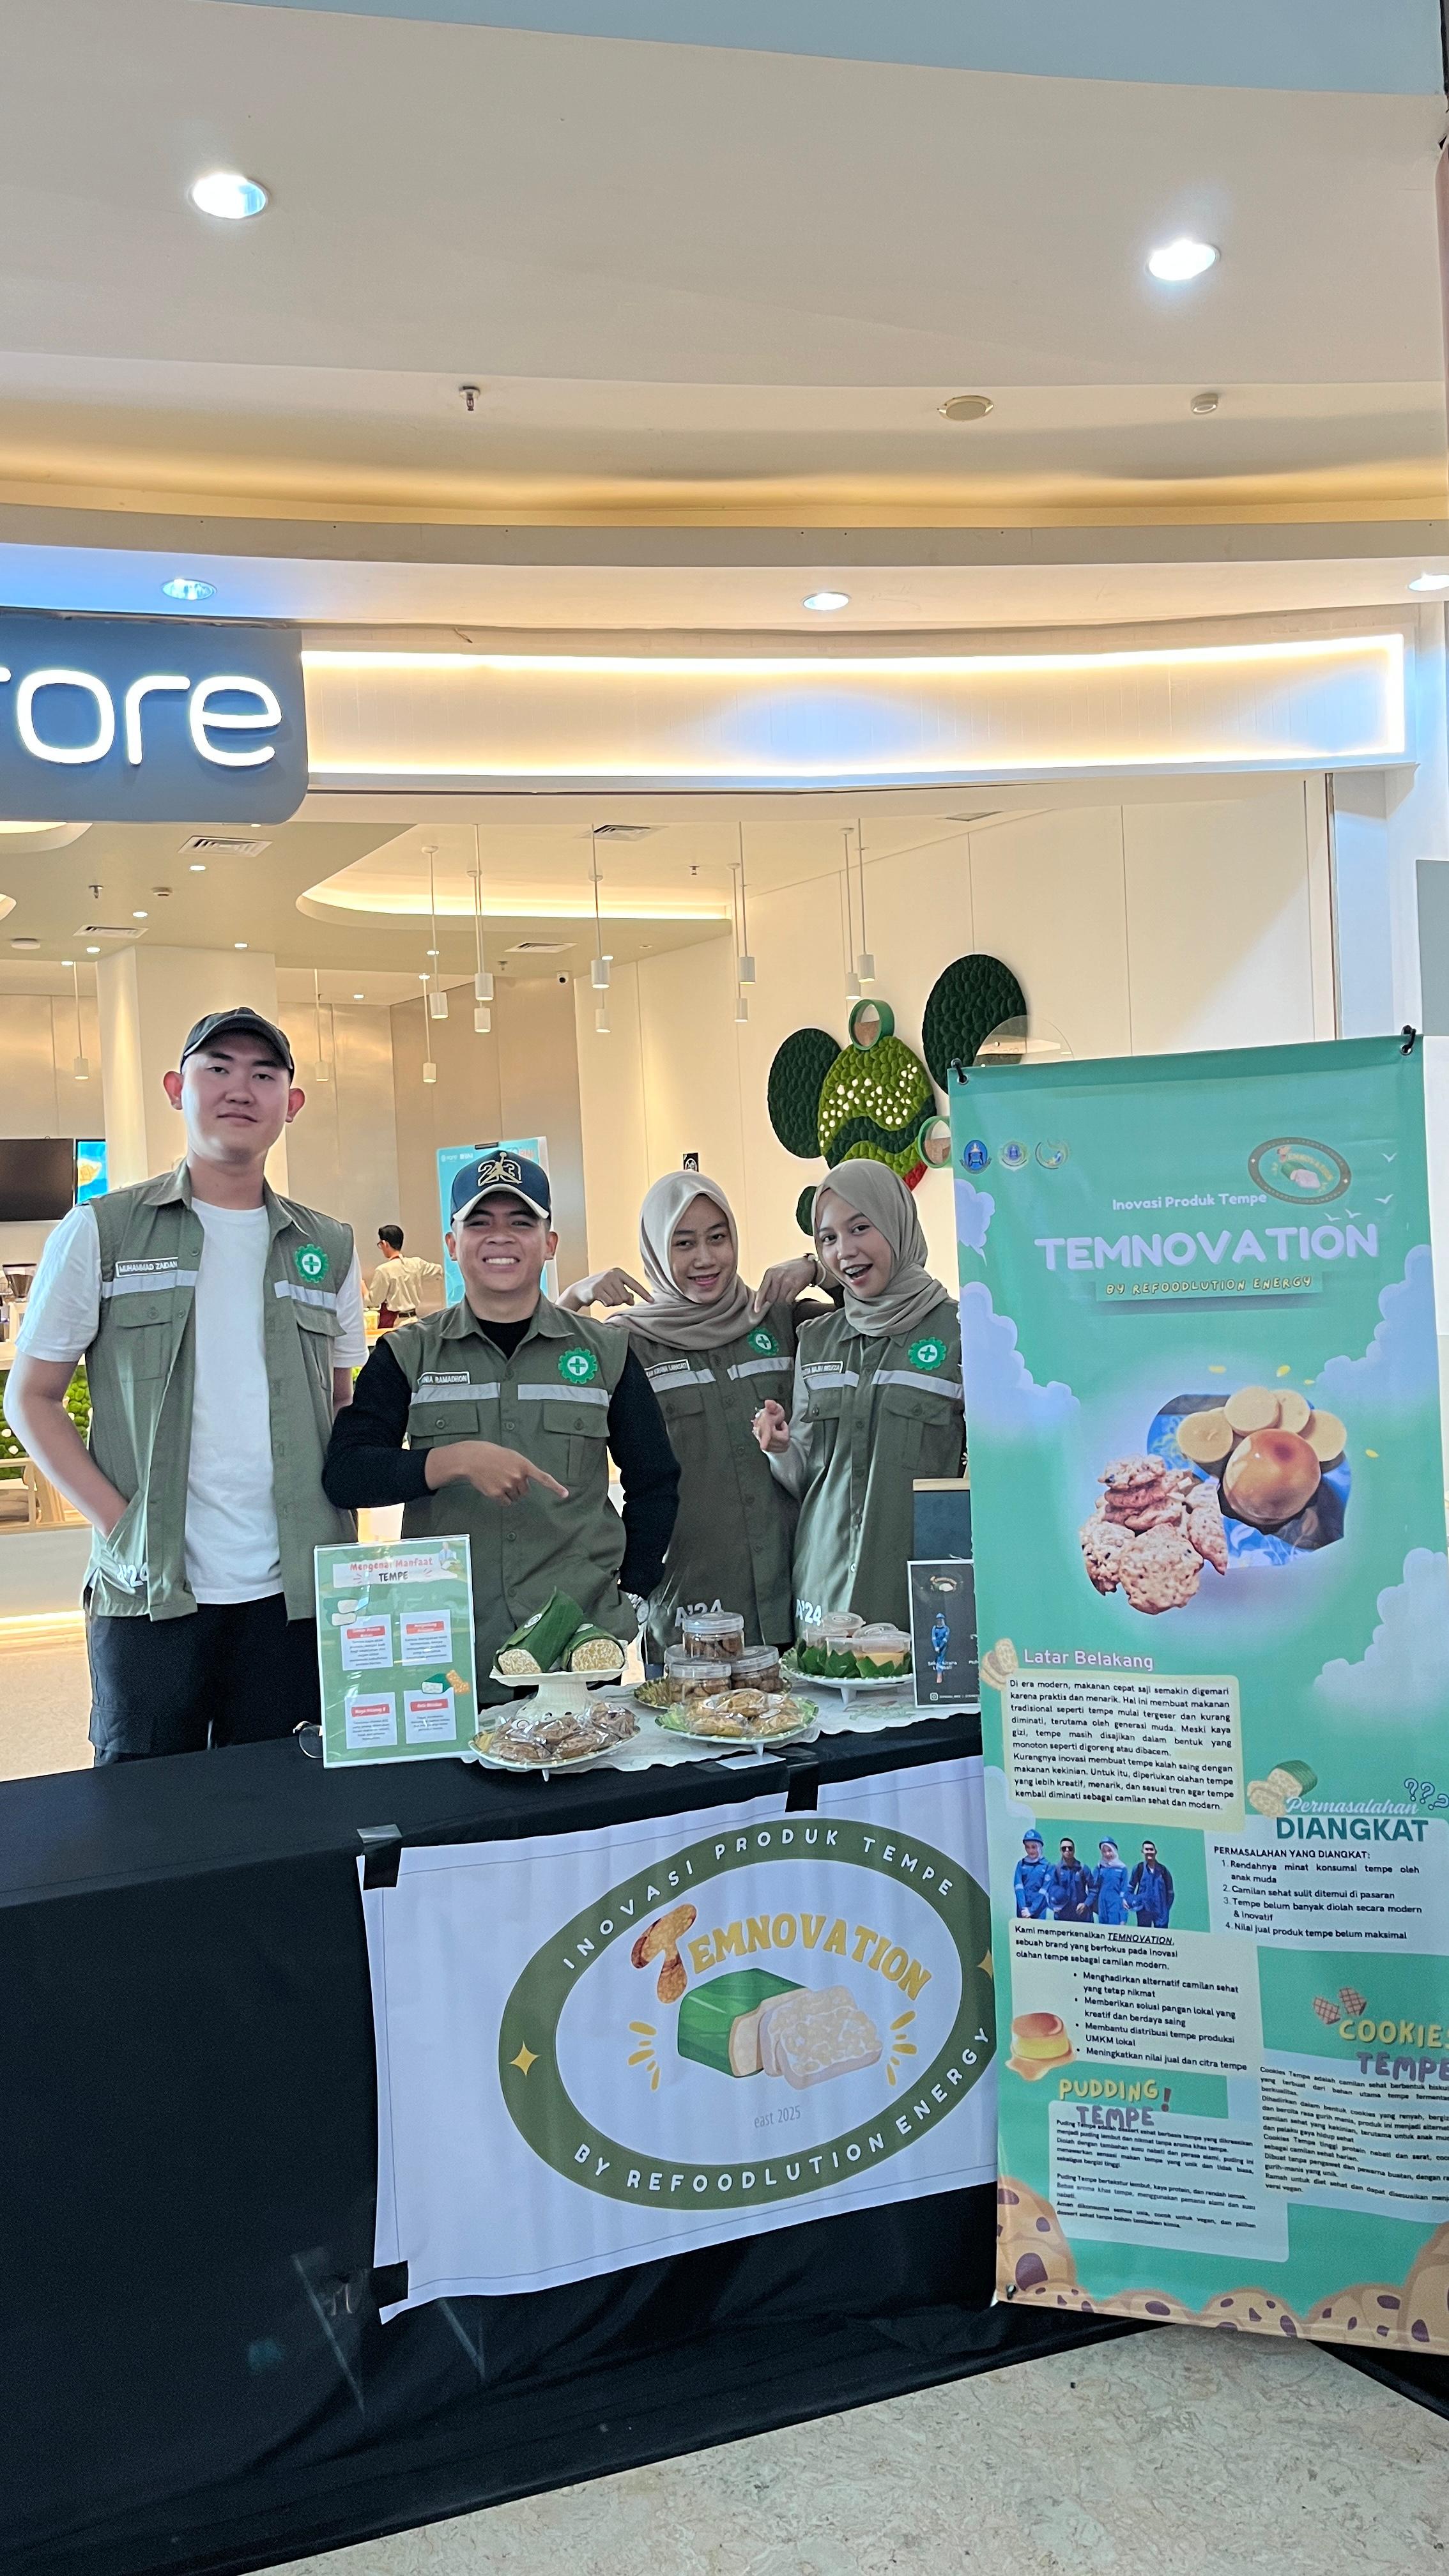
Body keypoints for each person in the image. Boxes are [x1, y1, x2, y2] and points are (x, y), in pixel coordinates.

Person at [3, 1007, 365, 1762]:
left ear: (292, 1103)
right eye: (218, 1069)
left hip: (292, 1594)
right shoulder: (102, 1230)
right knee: (145, 1803)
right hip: (151, 1587)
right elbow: (31, 1396)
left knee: (282, 1800)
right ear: (177, 1089)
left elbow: (340, 1401)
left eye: (263, 1074)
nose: (241, 1088)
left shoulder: (327, 1246)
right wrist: (121, 1526)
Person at [323, 1149, 679, 1697]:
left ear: (549, 1243)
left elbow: (655, 1480)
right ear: (452, 1244)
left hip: (576, 1642)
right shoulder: (407, 1354)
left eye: (521, 1222)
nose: (500, 1237)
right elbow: (347, 1475)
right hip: (449, 1649)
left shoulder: (605, 1352)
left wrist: (630, 1594)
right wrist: (452, 1461)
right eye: (480, 1223)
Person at [559, 1172, 827, 1663]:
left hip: (798, 1597)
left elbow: (872, 1313)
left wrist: (816, 1268)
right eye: (683, 1243)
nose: (705, 1258)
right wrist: (575, 1297)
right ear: (657, 1251)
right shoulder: (628, 1344)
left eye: (717, 1237)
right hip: (688, 1608)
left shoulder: (777, 1319)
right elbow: (548, 1377)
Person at [753, 1162, 964, 1632]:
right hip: (822, 1591)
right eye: (827, 1238)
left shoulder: (961, 1333)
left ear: (896, 1222)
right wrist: (780, 1448)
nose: (844, 1251)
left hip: (920, 1593)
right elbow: (803, 1476)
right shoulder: (816, 1340)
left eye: (860, 1228)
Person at [365, 1223, 443, 1332]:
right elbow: (439, 1270)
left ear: (385, 1244)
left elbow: (373, 1301)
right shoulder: (416, 1263)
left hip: (396, 1324)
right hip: (415, 1321)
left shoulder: (384, 1270)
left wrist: (362, 1287)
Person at [1130, 1841, 1174, 1929]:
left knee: (1162, 1936)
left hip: (1161, 1913)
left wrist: (1165, 1909)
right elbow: (1130, 1888)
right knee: (1144, 1935)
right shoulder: (1139, 1869)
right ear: (1143, 1851)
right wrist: (1134, 1902)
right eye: (1147, 1849)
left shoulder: (1164, 1871)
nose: (1149, 1852)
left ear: (1156, 1852)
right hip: (1144, 1912)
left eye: (1151, 1849)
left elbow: (1171, 1893)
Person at [1048, 1836, 1092, 1922]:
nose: (1067, 1850)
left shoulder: (1083, 1869)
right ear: (1061, 1851)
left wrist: (1086, 1904)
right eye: (1064, 1848)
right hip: (1062, 1917)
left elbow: (1094, 1890)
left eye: (1070, 1848)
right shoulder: (1056, 1870)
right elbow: (1048, 1891)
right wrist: (1053, 1907)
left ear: (1074, 1850)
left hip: (1081, 1915)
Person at [1091, 1837, 1132, 1925]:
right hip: (1102, 1904)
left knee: (1114, 1929)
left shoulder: (1122, 1869)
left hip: (1115, 1904)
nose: (1107, 1854)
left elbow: (1124, 1891)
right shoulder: (1099, 1868)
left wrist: (1123, 1918)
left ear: (1114, 1851)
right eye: (1104, 1851)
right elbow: (1092, 1886)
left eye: (1110, 1851)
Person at [1013, 1830, 1050, 1919]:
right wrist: (1024, 1910)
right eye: (1027, 1847)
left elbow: (1045, 1890)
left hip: (1039, 1912)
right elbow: (1018, 1888)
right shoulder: (1021, 1865)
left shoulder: (1047, 1866)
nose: (1030, 1851)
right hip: (1023, 1913)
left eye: (1034, 1847)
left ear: (1040, 1847)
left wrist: (1031, 1910)